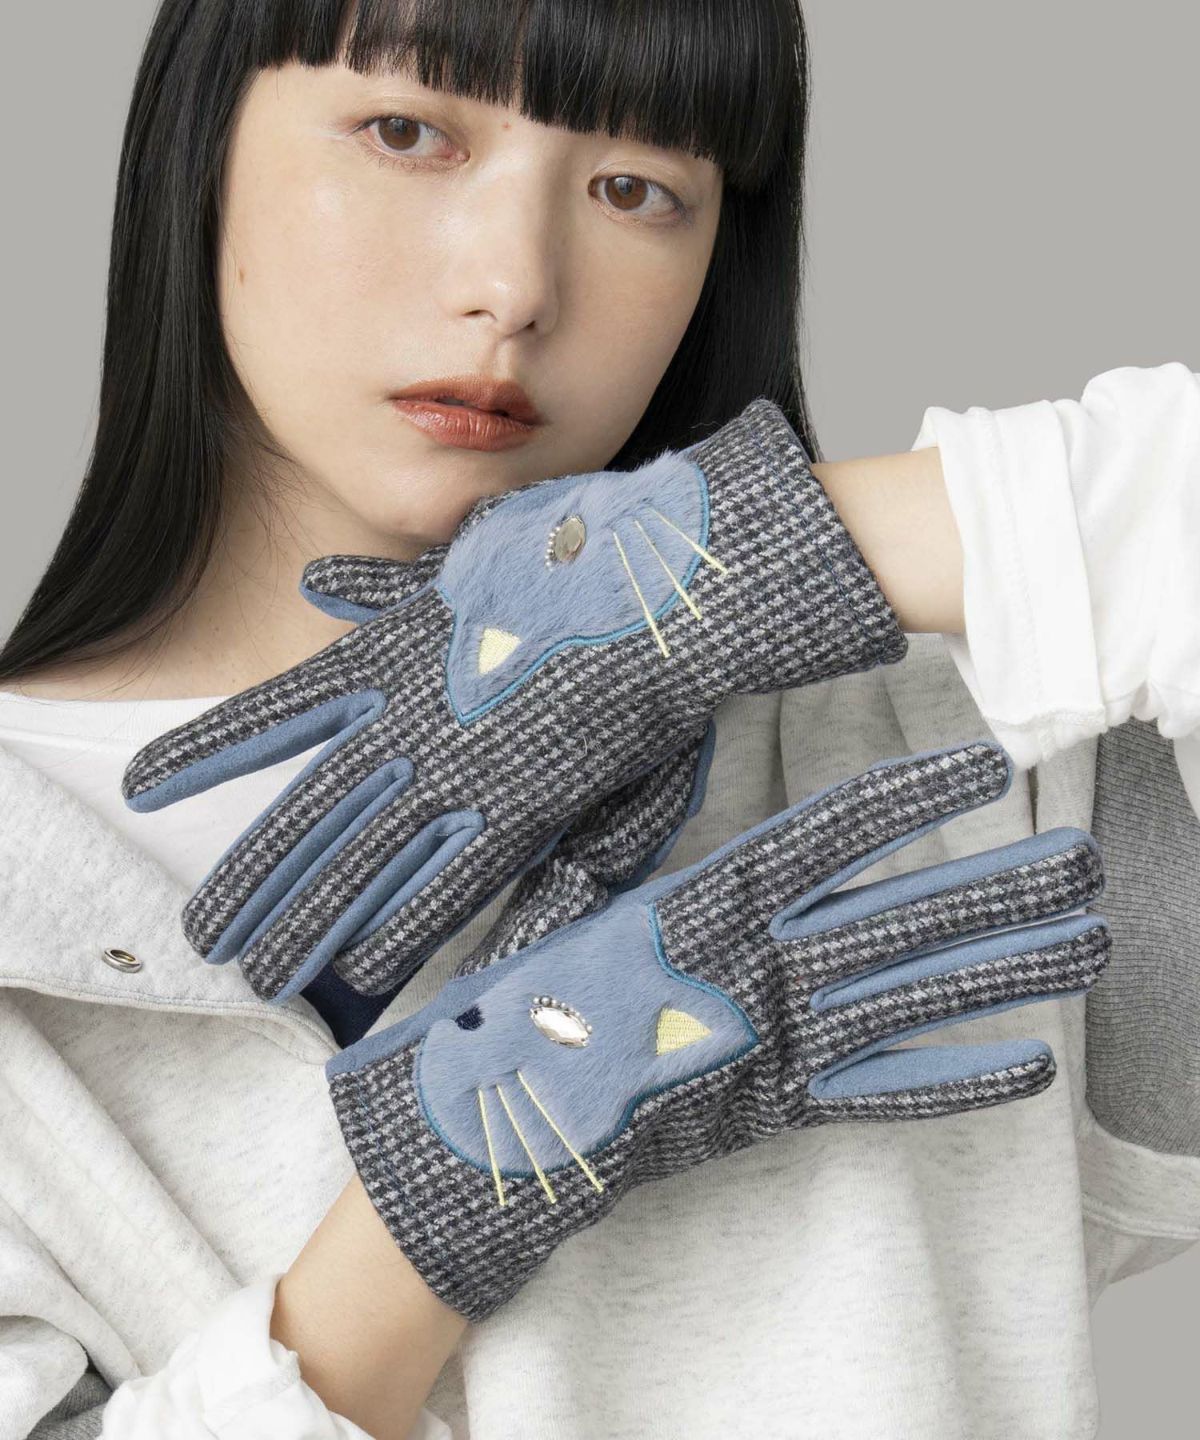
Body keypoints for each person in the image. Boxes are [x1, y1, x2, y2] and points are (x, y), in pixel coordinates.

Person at [0, 2, 1195, 1437]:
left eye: (636, 188)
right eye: (406, 132)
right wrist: (424, 1230)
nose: (515, 286)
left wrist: (726, 560)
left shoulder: (972, 761)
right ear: (200, 147)